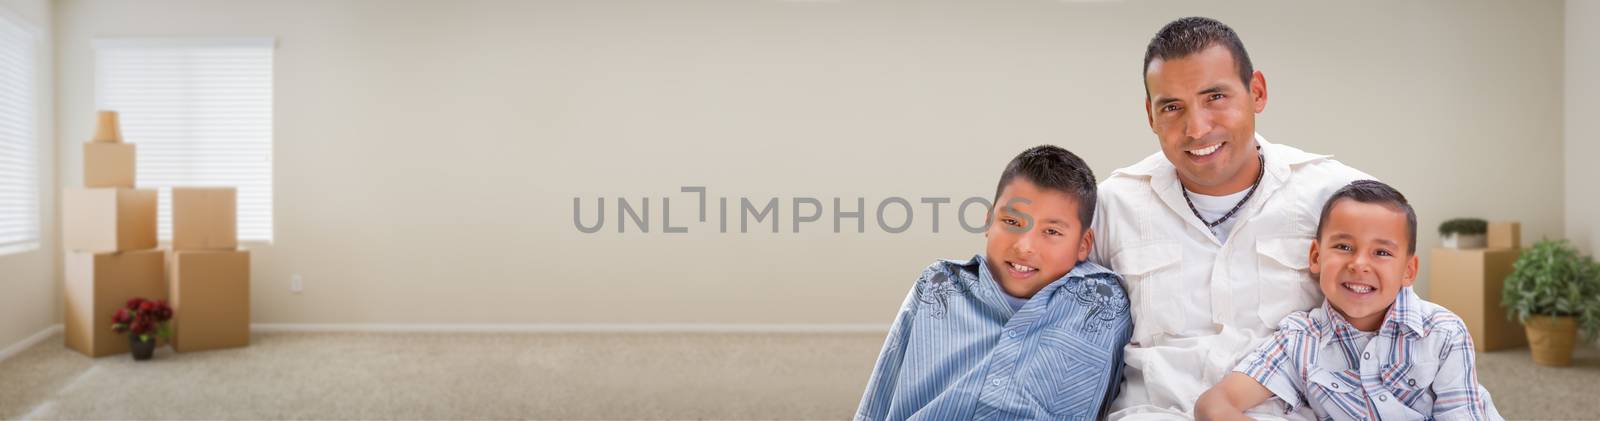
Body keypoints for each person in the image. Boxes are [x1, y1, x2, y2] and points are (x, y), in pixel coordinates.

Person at [1090, 17, 1374, 419]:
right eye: (1172, 107)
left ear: (1256, 92)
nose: (1197, 128)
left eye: (1215, 97)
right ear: (1151, 116)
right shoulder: (1111, 205)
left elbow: (1410, 335)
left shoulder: (1341, 197)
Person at [855, 145, 1133, 420]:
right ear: (989, 221)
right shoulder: (939, 284)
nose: (1025, 246)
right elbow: (880, 395)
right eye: (1012, 221)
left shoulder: (1105, 302)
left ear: (1084, 245)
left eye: (1051, 231)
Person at [1195, 180, 1502, 421]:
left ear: (1408, 270)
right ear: (1316, 256)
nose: (1359, 264)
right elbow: (1215, 405)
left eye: (1381, 253)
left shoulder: (1443, 332)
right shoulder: (1298, 341)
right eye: (1343, 246)